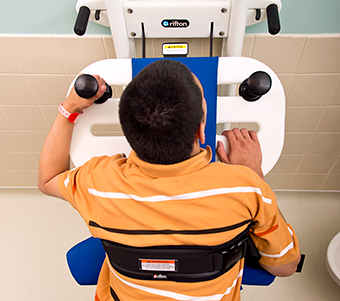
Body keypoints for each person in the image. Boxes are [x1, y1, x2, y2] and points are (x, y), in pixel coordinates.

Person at [38, 59, 301, 301]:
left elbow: (49, 179)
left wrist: (69, 109)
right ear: (201, 130)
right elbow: (285, 267)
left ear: (128, 133)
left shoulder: (97, 183)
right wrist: (256, 175)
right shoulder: (247, 188)